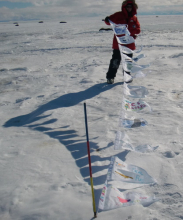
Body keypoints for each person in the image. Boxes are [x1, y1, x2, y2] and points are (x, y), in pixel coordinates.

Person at [104, 0, 140, 84]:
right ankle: (110, 77)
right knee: (115, 61)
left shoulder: (134, 18)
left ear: (133, 7)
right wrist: (107, 20)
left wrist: (132, 32)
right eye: (127, 6)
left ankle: (127, 77)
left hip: (129, 45)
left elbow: (138, 29)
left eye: (130, 7)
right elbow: (108, 22)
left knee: (128, 62)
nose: (129, 8)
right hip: (118, 44)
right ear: (124, 7)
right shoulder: (118, 15)